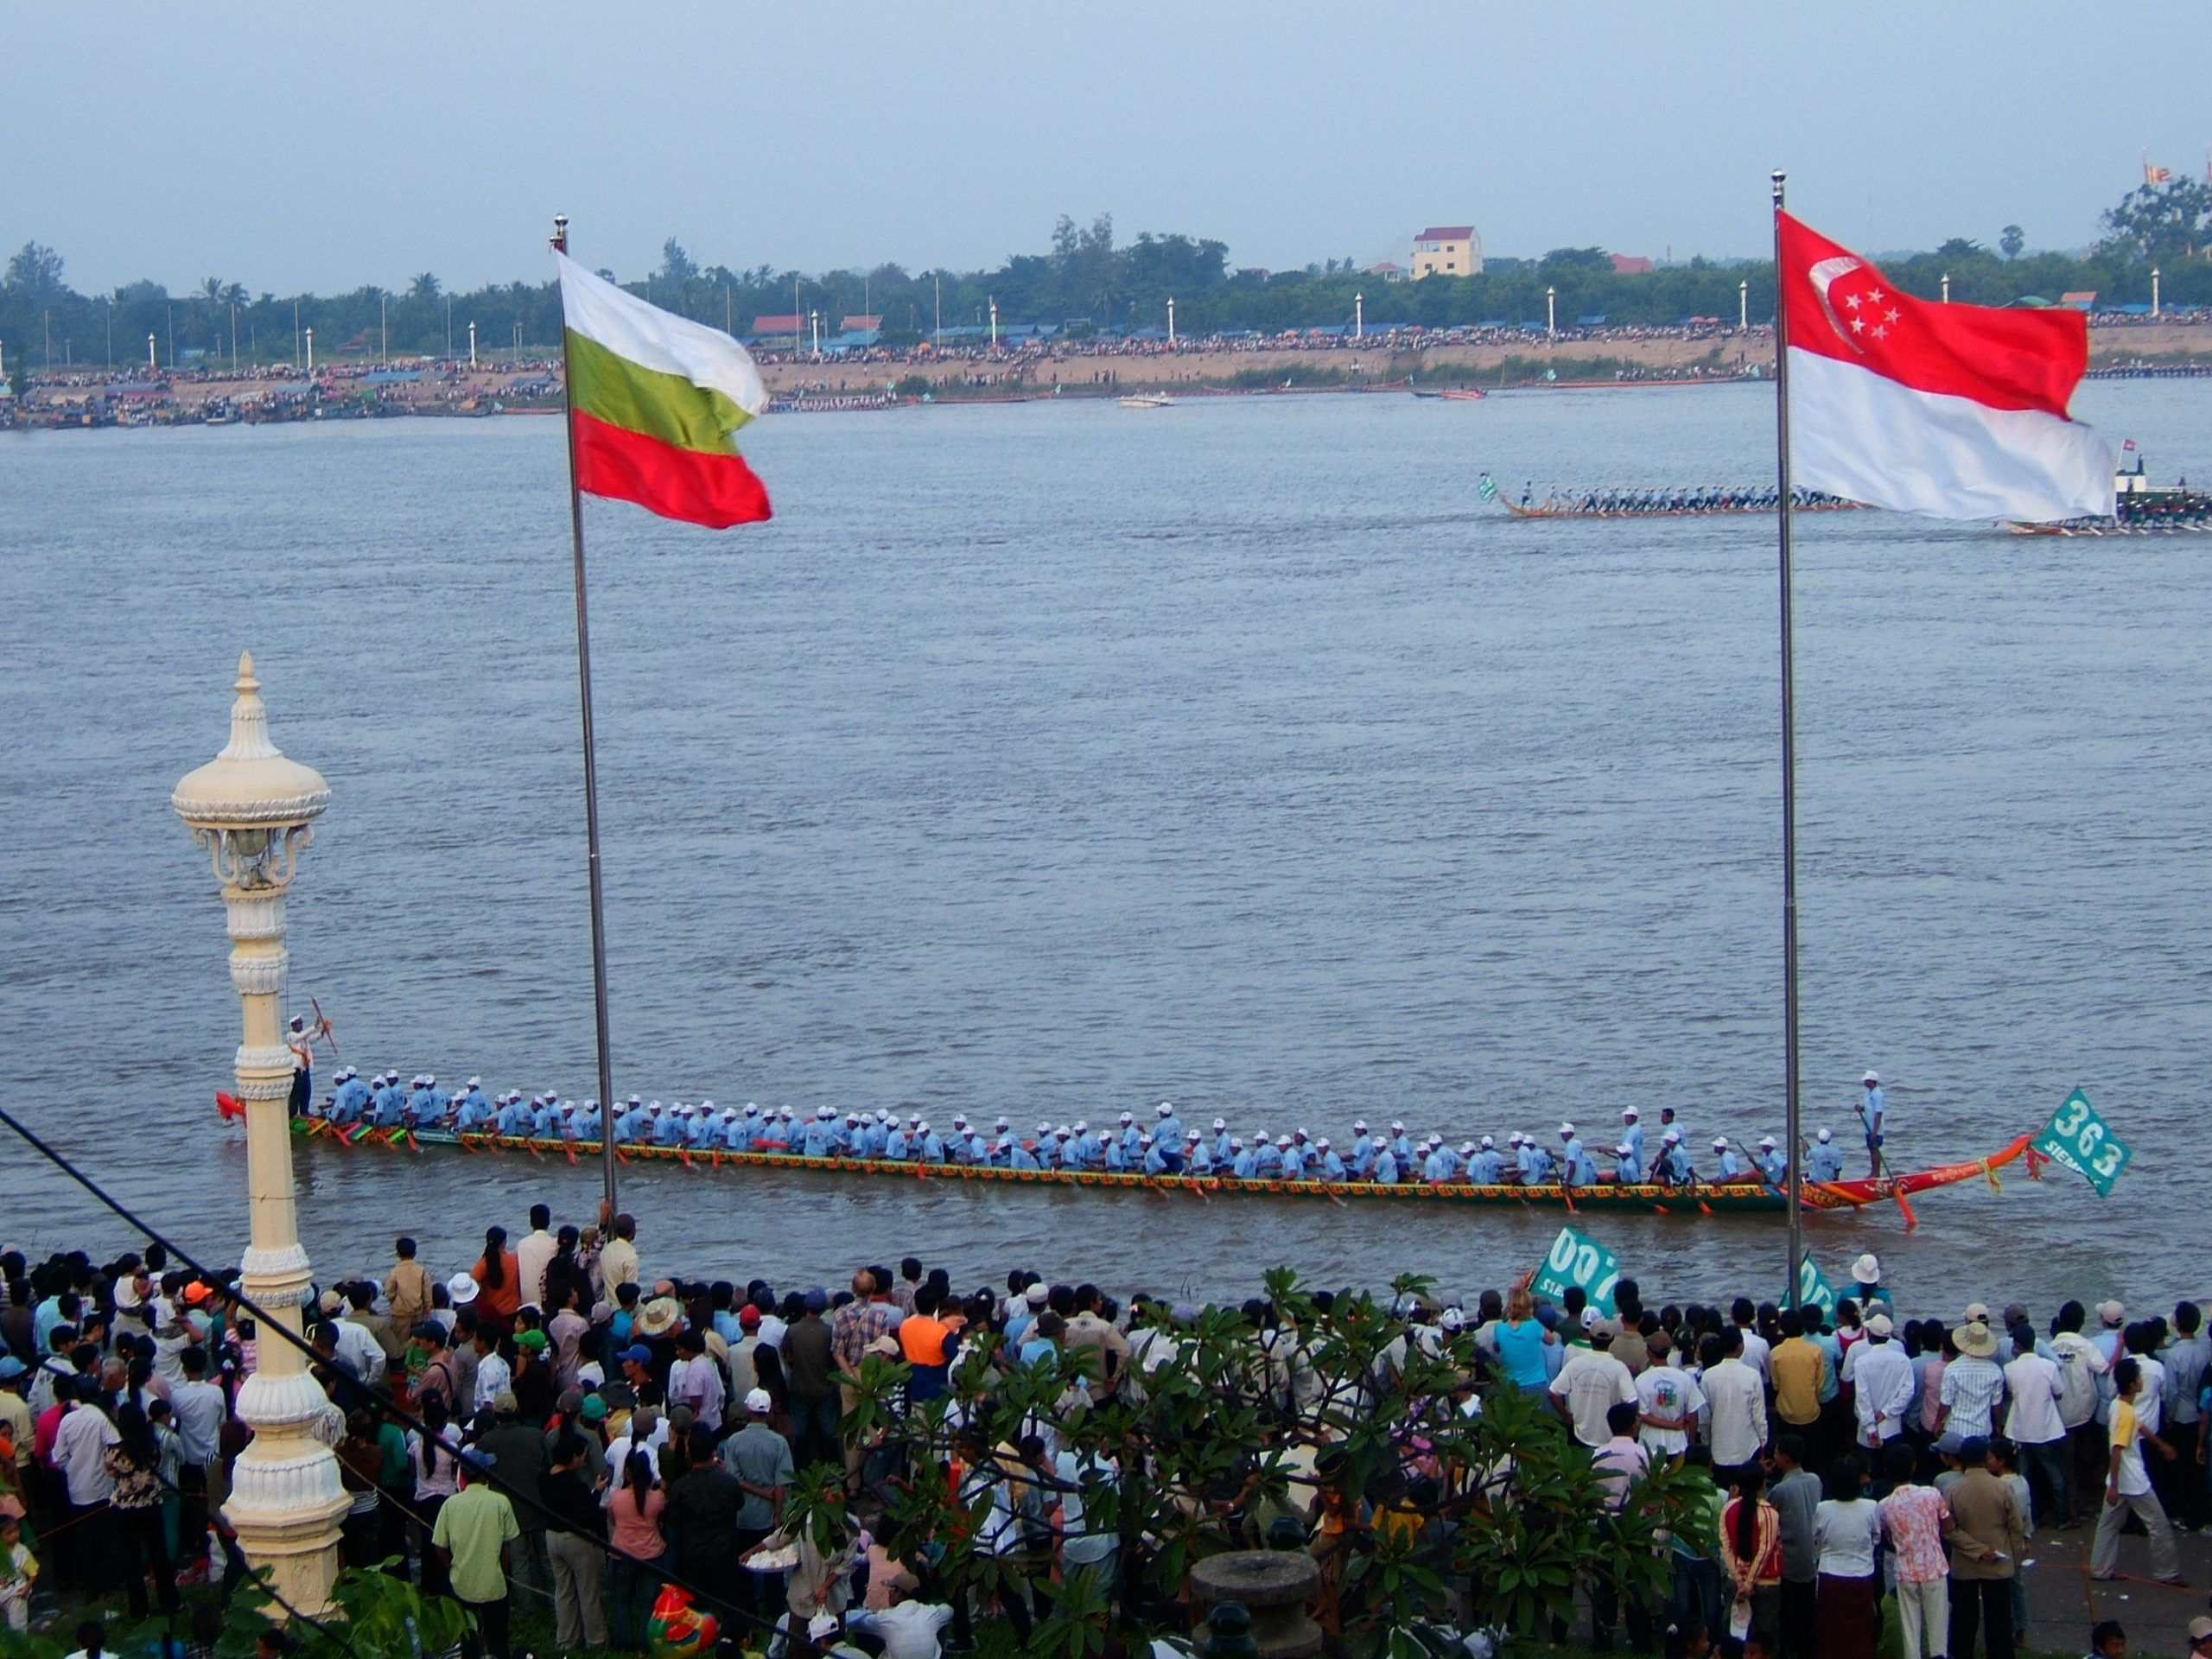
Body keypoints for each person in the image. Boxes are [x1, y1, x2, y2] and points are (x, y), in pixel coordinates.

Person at [2091, 1357, 2183, 1585]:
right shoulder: (2126, 1413)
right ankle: (2167, 1572)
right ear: (2133, 1385)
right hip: (2133, 1481)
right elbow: (2117, 1449)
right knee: (2158, 1524)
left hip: (2119, 1480)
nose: (2142, 1381)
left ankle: (2100, 1569)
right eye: (2139, 1378)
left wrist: (2160, 1445)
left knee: (2108, 1525)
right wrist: (2114, 1486)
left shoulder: (2118, 1405)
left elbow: (2139, 1426)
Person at [435, 1451, 519, 1659]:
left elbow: (439, 1545)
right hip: (494, 1583)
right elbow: (507, 1546)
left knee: (469, 1640)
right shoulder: (501, 1502)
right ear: (484, 1475)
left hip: (462, 1581)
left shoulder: (450, 1504)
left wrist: (451, 1566)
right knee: (498, 1641)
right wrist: (504, 1572)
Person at [1947, 1434, 2024, 1659]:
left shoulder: (1953, 1490)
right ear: (1986, 1457)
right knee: (1999, 1620)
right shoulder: (2001, 1488)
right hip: (1999, 1562)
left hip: (1965, 1563)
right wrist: (2013, 1556)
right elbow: (2016, 1526)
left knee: (1964, 1619)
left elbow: (1949, 1529)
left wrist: (1977, 1550)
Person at [721, 1387, 794, 1620]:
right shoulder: (779, 1443)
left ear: (747, 1410)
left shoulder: (733, 1442)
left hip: (743, 1515)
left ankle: (748, 1610)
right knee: (772, 1565)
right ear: (769, 1410)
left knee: (743, 1565)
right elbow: (782, 1483)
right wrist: (777, 1512)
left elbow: (734, 1478)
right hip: (768, 1516)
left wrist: (759, 1491)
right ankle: (774, 1611)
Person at [1878, 1440, 1950, 1659]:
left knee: (1910, 1628)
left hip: (1906, 1570)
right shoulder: (1932, 1494)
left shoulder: (1884, 1505)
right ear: (1914, 1466)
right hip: (1934, 1567)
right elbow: (1948, 1524)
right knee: (1938, 1627)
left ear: (1886, 1471)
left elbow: (1886, 1534)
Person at [1811, 1452, 1881, 1659]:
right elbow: (1876, 1537)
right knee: (1860, 1633)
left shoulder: (1823, 1509)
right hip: (1861, 1576)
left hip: (1830, 1576)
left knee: (1830, 1632)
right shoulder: (1871, 1507)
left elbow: (1814, 1538)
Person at [605, 1445, 667, 1651]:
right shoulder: (657, 1498)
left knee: (621, 1602)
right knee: (647, 1604)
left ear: (627, 1473)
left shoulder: (616, 1498)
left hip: (622, 1553)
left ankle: (624, 1643)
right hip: (652, 1554)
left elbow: (612, 1522)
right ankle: (645, 1643)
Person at [1765, 1436, 1821, 1659]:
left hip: (1789, 1561)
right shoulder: (1815, 1480)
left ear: (1785, 1457)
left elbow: (1766, 1515)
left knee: (1788, 1612)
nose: (1775, 1456)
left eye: (1777, 1452)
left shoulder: (1781, 1489)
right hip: (1813, 1558)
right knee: (1808, 1611)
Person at [1718, 1461, 1782, 1647]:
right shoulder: (1769, 1513)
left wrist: (1739, 1580)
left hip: (1734, 1580)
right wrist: (1748, 1583)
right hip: (1765, 1584)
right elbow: (1765, 1550)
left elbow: (1725, 1548)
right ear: (1762, 1483)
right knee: (1764, 1639)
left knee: (1735, 1636)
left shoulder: (1728, 1508)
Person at [1549, 1318, 1636, 1448]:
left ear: (1590, 1337)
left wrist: (1565, 1415)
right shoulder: (1619, 1368)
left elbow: (1553, 1393)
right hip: (1609, 1436)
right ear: (1612, 1339)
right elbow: (1632, 1401)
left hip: (1579, 1433)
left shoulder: (1575, 1364)